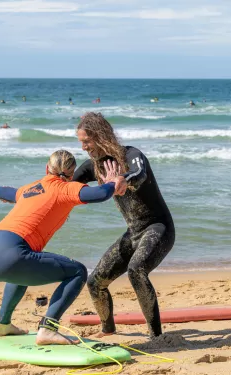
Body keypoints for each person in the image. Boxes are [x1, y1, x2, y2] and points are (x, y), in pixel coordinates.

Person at [0, 150, 122, 345]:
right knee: (77, 272)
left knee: (22, 270)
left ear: (47, 168)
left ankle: (3, 325)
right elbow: (100, 194)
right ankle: (47, 329)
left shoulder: (30, 189)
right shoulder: (66, 189)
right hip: (11, 255)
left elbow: (5, 192)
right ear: (71, 175)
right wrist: (114, 181)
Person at [73, 112, 175, 339]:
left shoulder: (132, 155)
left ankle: (156, 336)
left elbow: (139, 173)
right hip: (134, 233)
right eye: (81, 143)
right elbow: (67, 186)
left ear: (100, 137)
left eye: (86, 142)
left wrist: (122, 179)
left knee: (136, 270)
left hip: (158, 228)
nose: (83, 148)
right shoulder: (94, 166)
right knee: (95, 282)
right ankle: (108, 330)